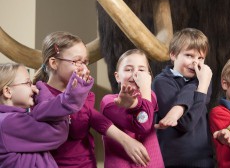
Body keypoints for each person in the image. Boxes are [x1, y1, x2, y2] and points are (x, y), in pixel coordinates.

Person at [33, 31, 150, 168]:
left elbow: (94, 117)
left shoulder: (84, 94)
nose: (84, 68)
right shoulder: (38, 95)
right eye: (77, 62)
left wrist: (126, 141)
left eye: (85, 62)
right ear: (53, 63)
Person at [0, 62, 91, 167]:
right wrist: (43, 94)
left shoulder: (13, 119)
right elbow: (58, 133)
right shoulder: (9, 123)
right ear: (7, 91)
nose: (33, 87)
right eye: (27, 83)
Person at [152, 28, 214, 168]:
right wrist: (201, 85)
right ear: (173, 55)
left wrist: (178, 108)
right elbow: (186, 123)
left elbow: (197, 100)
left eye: (200, 58)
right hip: (175, 161)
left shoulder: (204, 79)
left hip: (204, 159)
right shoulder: (161, 82)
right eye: (189, 55)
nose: (195, 62)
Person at [100, 49, 164, 168]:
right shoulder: (108, 101)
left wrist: (135, 102)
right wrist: (136, 101)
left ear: (148, 76)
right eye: (128, 69)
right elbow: (143, 125)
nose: (136, 74)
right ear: (117, 76)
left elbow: (145, 119)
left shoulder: (151, 96)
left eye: (141, 70)